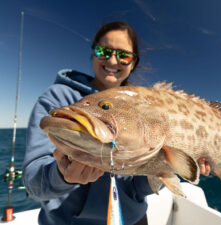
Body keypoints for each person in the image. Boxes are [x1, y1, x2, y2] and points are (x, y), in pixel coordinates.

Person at [22, 21, 210, 225]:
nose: (113, 60)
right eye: (104, 50)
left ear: (133, 62)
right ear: (93, 53)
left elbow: (139, 188)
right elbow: (33, 183)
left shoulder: (146, 108)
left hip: (132, 220)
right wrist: (61, 174)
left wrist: (170, 166)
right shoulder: (57, 98)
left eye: (123, 55)